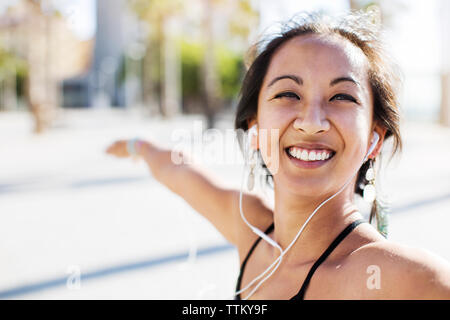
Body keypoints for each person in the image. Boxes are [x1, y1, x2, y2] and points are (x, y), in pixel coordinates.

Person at [105, 11, 450, 299]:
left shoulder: (406, 279)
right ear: (255, 128)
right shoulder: (252, 231)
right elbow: (178, 171)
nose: (312, 122)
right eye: (288, 93)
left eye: (342, 97)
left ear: (375, 139)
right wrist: (138, 146)